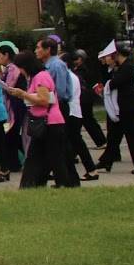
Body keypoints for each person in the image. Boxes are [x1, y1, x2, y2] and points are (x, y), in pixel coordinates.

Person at [9, 51, 78, 189]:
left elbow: (44, 100)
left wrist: (23, 94)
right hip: (44, 121)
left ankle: (62, 183)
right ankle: (32, 184)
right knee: (37, 155)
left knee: (54, 156)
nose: (20, 72)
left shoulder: (41, 77)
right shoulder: (36, 77)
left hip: (50, 122)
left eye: (20, 68)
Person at [95, 44, 134, 174]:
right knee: (114, 135)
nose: (107, 59)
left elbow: (114, 83)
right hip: (122, 107)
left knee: (132, 135)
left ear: (117, 55)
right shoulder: (119, 68)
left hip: (128, 107)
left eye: (109, 56)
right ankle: (106, 162)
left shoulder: (127, 68)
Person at [35, 38, 79, 184]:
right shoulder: (47, 65)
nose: (36, 51)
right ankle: (66, 178)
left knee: (61, 144)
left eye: (38, 48)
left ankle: (69, 179)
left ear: (48, 50)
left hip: (58, 106)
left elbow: (59, 91)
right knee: (58, 145)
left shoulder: (56, 65)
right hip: (53, 106)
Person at [61, 53, 100, 181]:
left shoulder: (69, 77)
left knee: (76, 143)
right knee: (73, 143)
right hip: (73, 112)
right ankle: (87, 169)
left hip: (71, 113)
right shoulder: (70, 75)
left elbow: (65, 96)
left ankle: (91, 169)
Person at [0, 45, 26, 182]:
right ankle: (16, 161)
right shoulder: (8, 69)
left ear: (7, 55)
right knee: (12, 135)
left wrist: (1, 83)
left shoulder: (14, 68)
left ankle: (14, 163)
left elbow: (9, 86)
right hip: (11, 104)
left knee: (11, 134)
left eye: (0, 55)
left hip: (15, 105)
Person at [72, 50, 107, 148]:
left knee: (87, 120)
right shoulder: (83, 68)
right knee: (87, 120)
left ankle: (100, 141)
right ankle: (100, 140)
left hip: (84, 98)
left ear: (80, 59)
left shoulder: (81, 70)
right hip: (85, 97)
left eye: (76, 59)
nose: (74, 61)